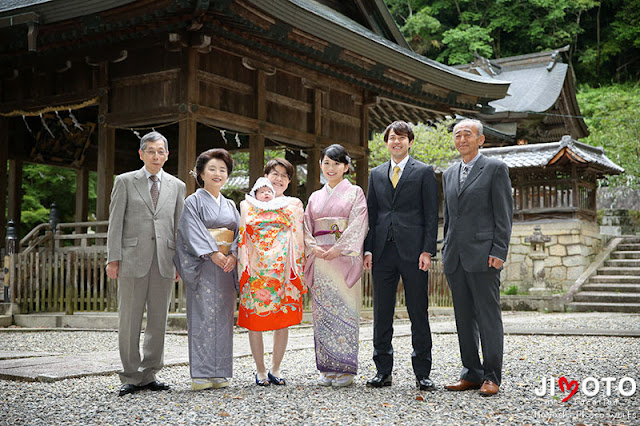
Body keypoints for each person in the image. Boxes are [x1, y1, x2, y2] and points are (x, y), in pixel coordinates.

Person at [106, 131, 186, 397]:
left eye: (160, 151)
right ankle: (130, 375)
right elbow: (115, 222)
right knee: (129, 319)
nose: (156, 156)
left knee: (158, 321)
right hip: (131, 259)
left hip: (164, 260)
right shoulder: (125, 181)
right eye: (150, 151)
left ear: (167, 155)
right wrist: (113, 258)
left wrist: (178, 262)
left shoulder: (177, 185)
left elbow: (178, 227)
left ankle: (150, 374)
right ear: (141, 154)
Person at [363, 120, 438, 391]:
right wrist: (368, 248)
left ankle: (423, 373)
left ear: (410, 142)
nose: (397, 142)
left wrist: (428, 250)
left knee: (418, 311)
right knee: (382, 312)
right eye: (392, 138)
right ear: (386, 143)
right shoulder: (376, 173)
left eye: (402, 138)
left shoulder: (424, 171)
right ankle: (383, 371)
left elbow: (431, 214)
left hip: (414, 251)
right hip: (383, 251)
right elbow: (371, 214)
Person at [442, 118, 513, 396]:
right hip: (455, 257)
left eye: (468, 135)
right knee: (463, 317)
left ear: (480, 139)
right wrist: (446, 249)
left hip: (484, 256)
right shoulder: (449, 173)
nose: (462, 139)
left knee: (487, 317)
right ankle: (471, 372)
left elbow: (503, 215)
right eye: (457, 135)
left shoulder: (495, 168)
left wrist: (499, 251)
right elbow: (449, 219)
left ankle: (492, 376)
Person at [173, 149, 240, 391]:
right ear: (201, 173)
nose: (217, 173)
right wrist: (214, 254)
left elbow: (241, 233)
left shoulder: (231, 205)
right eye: (212, 169)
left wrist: (233, 254)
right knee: (202, 317)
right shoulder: (193, 201)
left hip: (225, 268)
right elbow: (190, 231)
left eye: (222, 170)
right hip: (203, 266)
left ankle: (219, 372)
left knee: (223, 319)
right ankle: (201, 374)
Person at [304, 144, 368, 387]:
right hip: (321, 258)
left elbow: (358, 223)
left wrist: (338, 248)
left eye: (336, 164)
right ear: (320, 165)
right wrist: (314, 247)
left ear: (346, 167)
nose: (331, 168)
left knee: (345, 311)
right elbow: (305, 226)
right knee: (322, 314)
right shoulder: (314, 196)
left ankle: (345, 369)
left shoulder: (355, 193)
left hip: (343, 259)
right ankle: (327, 367)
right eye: (326, 163)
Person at [237, 159, 306, 386]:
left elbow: (299, 236)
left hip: (285, 270)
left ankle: (276, 368)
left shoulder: (294, 204)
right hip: (256, 270)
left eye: (284, 176)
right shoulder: (247, 204)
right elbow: (243, 235)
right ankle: (260, 370)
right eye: (274, 174)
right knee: (255, 321)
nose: (278, 179)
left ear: (289, 181)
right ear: (265, 175)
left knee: (282, 320)